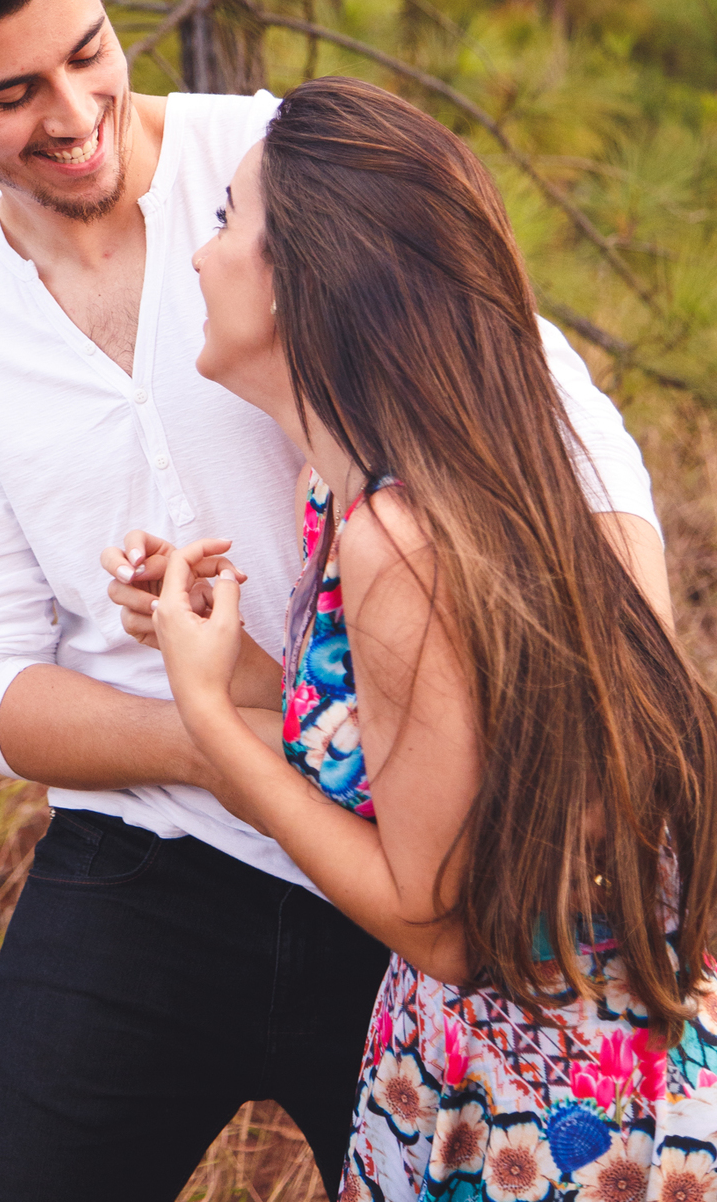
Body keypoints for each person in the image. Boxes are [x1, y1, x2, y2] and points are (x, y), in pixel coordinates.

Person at [0, 0, 671, 1202]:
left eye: (89, 52)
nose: (77, 114)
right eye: (12, 94)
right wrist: (231, 730)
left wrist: (619, 731)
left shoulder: (276, 168)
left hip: (420, 865)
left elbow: (566, 426)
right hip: (145, 870)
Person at [132, 74, 717, 1202]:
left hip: (567, 1106)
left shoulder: (400, 538)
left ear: (302, 280)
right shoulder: (344, 490)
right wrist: (217, 651)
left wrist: (207, 718)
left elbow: (438, 923)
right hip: (480, 1057)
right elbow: (410, 750)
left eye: (227, 222)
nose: (198, 259)